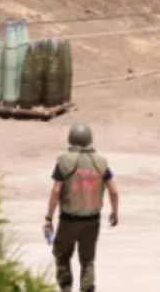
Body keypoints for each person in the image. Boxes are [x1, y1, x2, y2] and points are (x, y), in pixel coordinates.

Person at [43, 123, 120, 291]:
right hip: (92, 220)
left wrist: (49, 218)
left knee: (62, 255)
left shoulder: (64, 161)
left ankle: (66, 288)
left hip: (69, 220)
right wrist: (114, 212)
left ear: (71, 139)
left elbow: (56, 191)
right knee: (88, 260)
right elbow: (113, 191)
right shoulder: (101, 162)